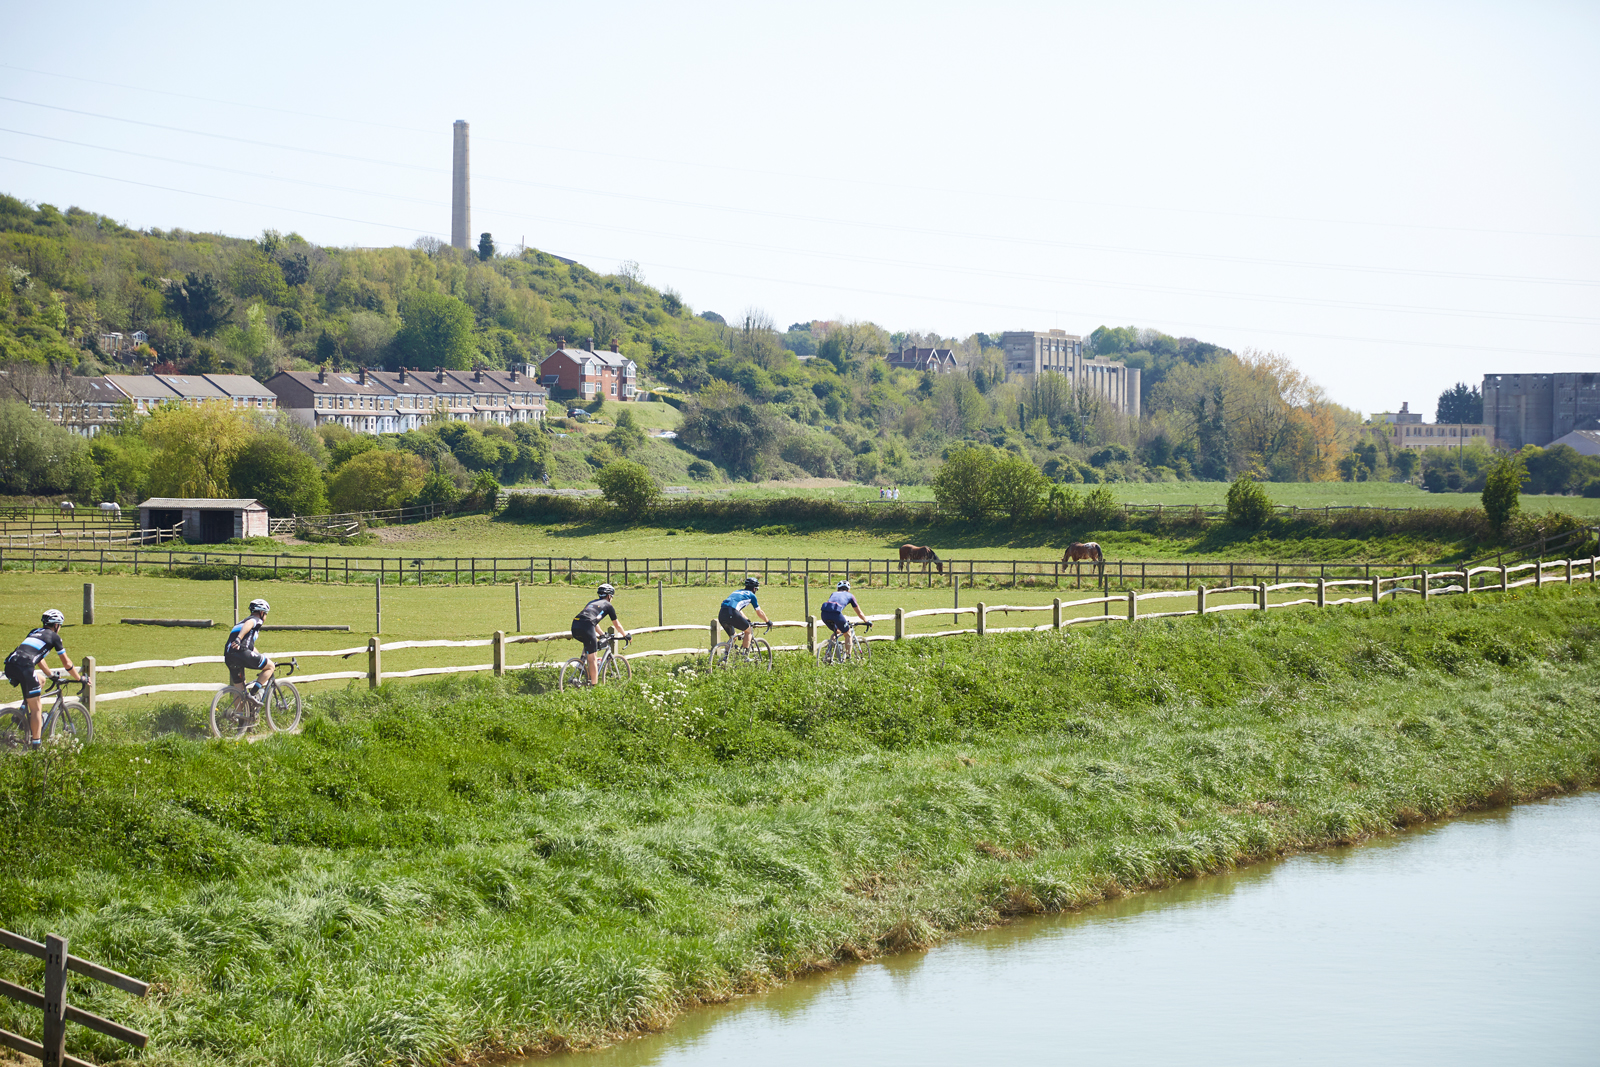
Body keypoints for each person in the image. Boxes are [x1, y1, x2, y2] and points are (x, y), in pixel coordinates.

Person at [5, 610, 81, 750]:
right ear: (57, 625)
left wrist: (50, 675)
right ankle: (36, 746)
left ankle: (21, 714)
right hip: (25, 668)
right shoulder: (54, 637)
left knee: (40, 679)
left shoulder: (34, 631)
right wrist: (79, 678)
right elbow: (67, 663)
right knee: (37, 709)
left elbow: (39, 658)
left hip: (10, 664)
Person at [572, 583, 628, 684]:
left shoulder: (592, 602)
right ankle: (594, 686)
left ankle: (581, 664)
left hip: (575, 625)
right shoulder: (608, 605)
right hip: (587, 626)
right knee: (592, 659)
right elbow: (617, 625)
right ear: (609, 596)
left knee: (589, 644)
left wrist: (602, 634)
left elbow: (593, 622)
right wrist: (625, 635)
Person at [224, 599, 276, 697]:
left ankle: (238, 712)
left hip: (229, 656)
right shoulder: (255, 619)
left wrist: (260, 656)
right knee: (271, 666)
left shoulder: (240, 623)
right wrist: (239, 639)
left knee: (239, 688)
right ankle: (253, 694)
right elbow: (250, 623)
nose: (265, 617)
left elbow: (250, 647)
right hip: (242, 653)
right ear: (261, 612)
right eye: (265, 614)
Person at [719, 577, 772, 653]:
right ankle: (745, 656)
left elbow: (737, 609)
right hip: (732, 612)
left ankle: (725, 658)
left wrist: (746, 620)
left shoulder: (736, 592)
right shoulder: (751, 595)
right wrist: (767, 621)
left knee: (733, 637)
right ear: (754, 588)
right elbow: (759, 612)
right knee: (748, 631)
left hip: (722, 613)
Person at [820, 579, 869, 656]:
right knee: (848, 633)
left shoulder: (834, 593)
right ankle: (848, 657)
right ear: (848, 590)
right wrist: (866, 621)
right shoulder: (850, 596)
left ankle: (828, 653)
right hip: (836, 614)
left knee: (837, 632)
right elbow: (859, 612)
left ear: (838, 589)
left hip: (824, 614)